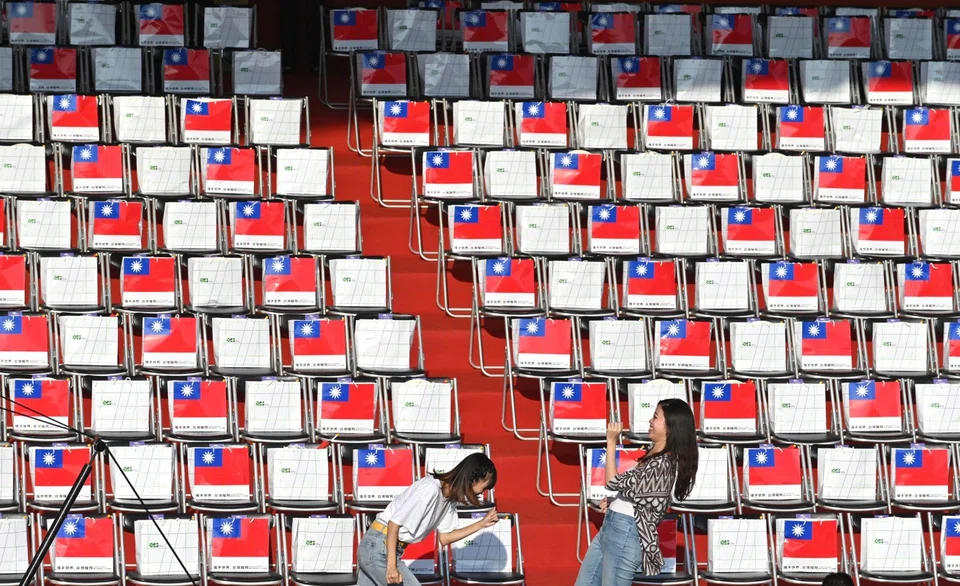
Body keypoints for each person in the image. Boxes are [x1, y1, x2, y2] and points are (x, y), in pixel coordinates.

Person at [575, 398, 700, 586]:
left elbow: (612, 482)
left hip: (626, 533)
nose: (650, 421)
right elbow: (637, 495)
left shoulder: (662, 464)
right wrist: (615, 500)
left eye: (656, 417)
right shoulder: (653, 455)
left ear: (670, 427)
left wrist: (611, 441)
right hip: (611, 527)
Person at [357, 452, 498, 586]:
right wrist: (392, 567)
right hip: (379, 546)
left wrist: (481, 524)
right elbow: (393, 524)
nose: (482, 493)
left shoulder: (450, 498)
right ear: (474, 479)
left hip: (382, 546)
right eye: (484, 487)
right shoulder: (430, 489)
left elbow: (445, 538)